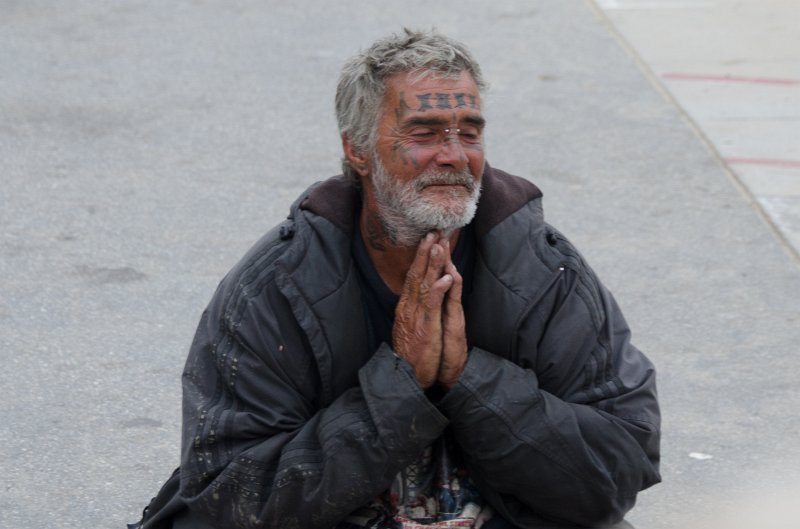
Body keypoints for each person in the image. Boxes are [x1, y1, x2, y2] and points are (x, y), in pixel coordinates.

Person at [130, 28, 660, 529]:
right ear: (357, 150)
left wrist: (469, 380)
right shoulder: (274, 289)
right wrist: (399, 385)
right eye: (424, 134)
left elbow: (621, 465)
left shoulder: (546, 273)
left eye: (469, 133)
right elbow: (231, 492)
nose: (454, 156)